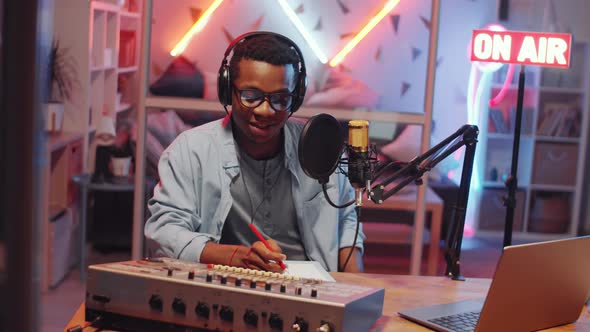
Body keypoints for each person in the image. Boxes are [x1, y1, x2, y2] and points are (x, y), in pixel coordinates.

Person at [145, 32, 364, 273]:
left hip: (314, 290)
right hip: (226, 288)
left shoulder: (320, 147)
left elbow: (345, 225)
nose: (265, 110)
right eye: (251, 96)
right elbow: (163, 233)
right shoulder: (189, 150)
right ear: (228, 90)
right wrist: (235, 256)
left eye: (281, 99)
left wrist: (357, 290)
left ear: (297, 97)